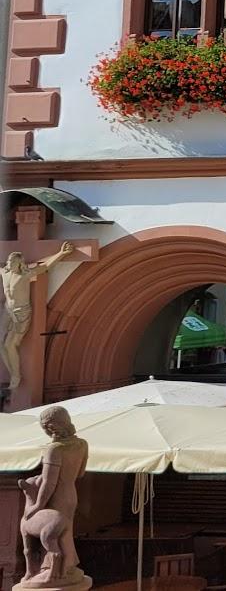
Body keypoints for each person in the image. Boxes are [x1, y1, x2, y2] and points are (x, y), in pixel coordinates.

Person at [19, 406, 89, 588]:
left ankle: (53, 571)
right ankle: (67, 568)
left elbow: (49, 484)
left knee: (53, 535)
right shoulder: (82, 444)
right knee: (65, 532)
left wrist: (37, 506)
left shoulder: (54, 449)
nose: (48, 431)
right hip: (71, 494)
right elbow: (80, 473)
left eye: (47, 427)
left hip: (56, 496)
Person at [1, 242, 73, 389]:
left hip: (21, 312)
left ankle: (16, 375)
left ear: (20, 263)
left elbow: (46, 266)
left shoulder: (25, 275)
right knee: (1, 345)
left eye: (13, 262)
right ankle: (12, 373)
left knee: (10, 344)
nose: (10, 264)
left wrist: (62, 253)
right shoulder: (4, 272)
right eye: (9, 262)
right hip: (8, 310)